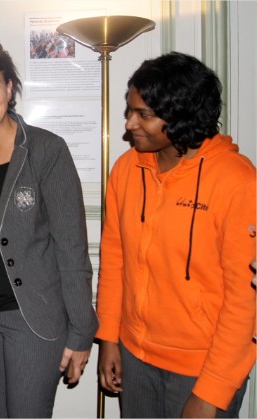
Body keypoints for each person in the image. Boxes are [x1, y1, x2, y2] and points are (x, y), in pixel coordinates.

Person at [0, 37, 98, 418]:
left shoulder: (48, 150)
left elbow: (71, 248)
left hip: (30, 319)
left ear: (10, 88)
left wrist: (82, 333)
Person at [96, 51, 256, 418]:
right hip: (134, 358)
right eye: (129, 110)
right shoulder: (125, 169)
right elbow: (115, 257)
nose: (129, 124)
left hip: (202, 367)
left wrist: (212, 391)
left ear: (182, 116)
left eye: (144, 115)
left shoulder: (237, 182)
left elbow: (245, 302)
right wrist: (108, 337)